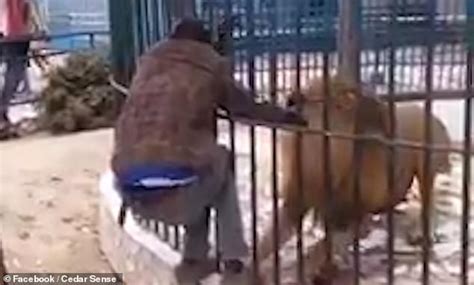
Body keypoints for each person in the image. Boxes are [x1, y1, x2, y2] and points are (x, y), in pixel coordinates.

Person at [112, 18, 307, 279]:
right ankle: (233, 259)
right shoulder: (210, 66)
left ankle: (193, 260)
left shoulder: (148, 64)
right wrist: (287, 118)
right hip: (178, 195)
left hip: (130, 188)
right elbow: (245, 107)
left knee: (197, 163)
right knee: (215, 164)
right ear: (205, 45)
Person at [0, 0, 47, 138]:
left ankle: (3, 111)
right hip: (11, 34)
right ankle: (2, 110)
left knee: (16, 73)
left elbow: (29, 10)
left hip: (18, 35)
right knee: (14, 72)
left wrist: (36, 30)